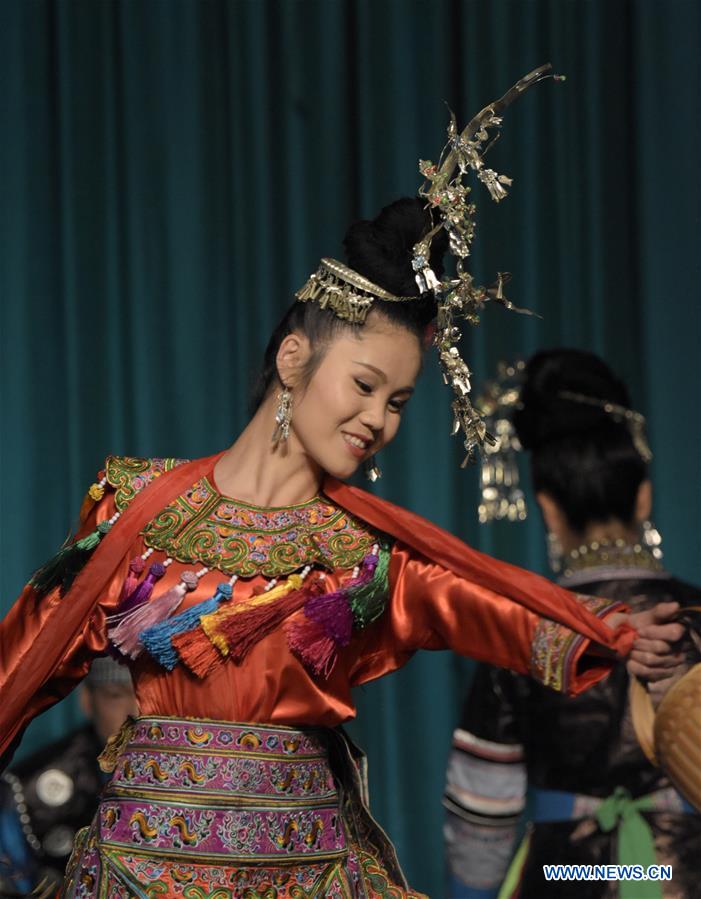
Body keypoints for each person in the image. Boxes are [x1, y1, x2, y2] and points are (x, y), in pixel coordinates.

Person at [0, 65, 684, 895]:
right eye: (363, 386)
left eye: (398, 401)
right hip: (141, 873)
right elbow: (32, 648)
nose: (379, 420)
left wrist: (603, 633)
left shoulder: (366, 557)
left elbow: (487, 607)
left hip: (309, 873)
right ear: (295, 358)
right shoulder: (142, 508)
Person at [443, 349, 700, 899]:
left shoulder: (521, 629)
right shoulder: (694, 615)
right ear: (643, 494)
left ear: (548, 510)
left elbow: (481, 820)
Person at [0, 658, 137, 895]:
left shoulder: (200, 777)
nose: (136, 712)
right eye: (116, 695)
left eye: (148, 694)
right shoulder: (27, 788)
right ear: (87, 700)